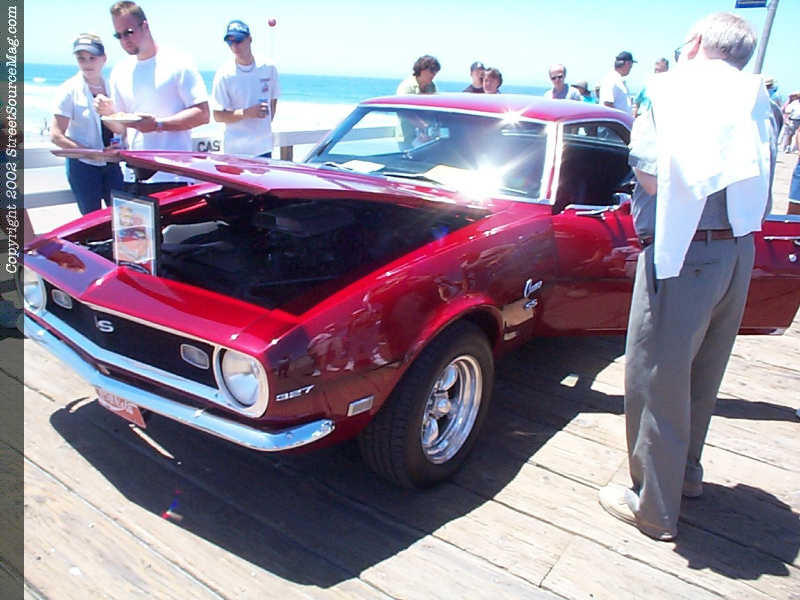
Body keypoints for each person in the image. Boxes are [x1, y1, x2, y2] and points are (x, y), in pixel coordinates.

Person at [598, 12, 775, 542]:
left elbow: (650, 175)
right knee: (704, 371)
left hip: (683, 252)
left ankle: (653, 505)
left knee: (656, 377)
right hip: (737, 249)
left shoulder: (668, 89)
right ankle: (686, 475)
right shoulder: (757, 96)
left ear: (695, 42)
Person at [95, 1, 209, 189]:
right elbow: (121, 128)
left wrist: (158, 125)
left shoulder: (178, 63)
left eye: (129, 32)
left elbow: (203, 114)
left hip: (173, 175)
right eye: (118, 35)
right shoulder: (120, 71)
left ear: (145, 26)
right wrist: (107, 113)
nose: (124, 40)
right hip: (132, 176)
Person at [50, 34, 124, 215]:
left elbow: (122, 129)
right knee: (92, 220)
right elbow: (56, 135)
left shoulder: (114, 88)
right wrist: (91, 153)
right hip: (83, 166)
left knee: (123, 216)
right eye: (81, 58)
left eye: (92, 58)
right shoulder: (68, 90)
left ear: (104, 59)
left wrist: (110, 116)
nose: (87, 63)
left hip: (112, 163)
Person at [211, 20, 280, 157]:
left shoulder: (269, 67)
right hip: (235, 151)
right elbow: (218, 115)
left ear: (250, 39)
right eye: (230, 42)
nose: (235, 46)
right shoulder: (224, 73)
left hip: (263, 149)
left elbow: (273, 100)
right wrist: (246, 113)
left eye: (239, 40)